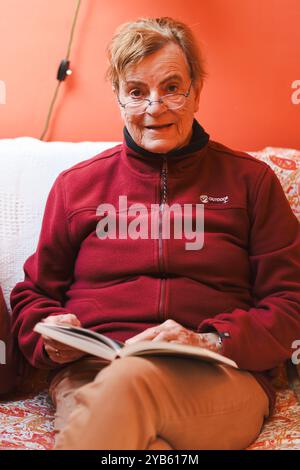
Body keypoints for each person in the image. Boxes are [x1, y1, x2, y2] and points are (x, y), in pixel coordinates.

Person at [10, 17, 300, 450]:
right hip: (94, 370)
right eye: (137, 91)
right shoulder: (76, 186)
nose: (154, 107)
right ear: (119, 98)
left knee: (128, 393)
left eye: (172, 87)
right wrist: (49, 338)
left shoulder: (250, 182)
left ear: (197, 91)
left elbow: (290, 302)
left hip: (217, 374)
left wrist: (210, 340)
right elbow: (33, 294)